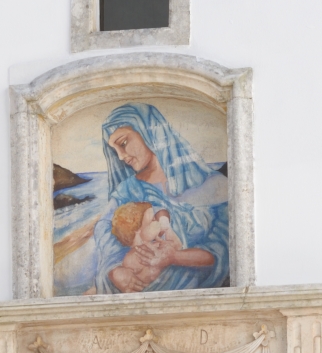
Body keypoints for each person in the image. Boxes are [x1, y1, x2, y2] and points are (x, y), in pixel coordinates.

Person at [92, 103, 230, 292]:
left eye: (123, 144)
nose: (121, 157)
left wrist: (174, 257)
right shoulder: (127, 190)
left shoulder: (216, 185)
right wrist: (115, 271)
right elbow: (104, 228)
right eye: (115, 151)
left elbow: (224, 249)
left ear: (149, 132)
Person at [106, 201, 216, 293]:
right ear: (138, 230)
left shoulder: (146, 248)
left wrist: (165, 225)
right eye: (152, 221)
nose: (157, 222)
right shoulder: (144, 254)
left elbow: (162, 212)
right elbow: (208, 258)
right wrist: (173, 256)